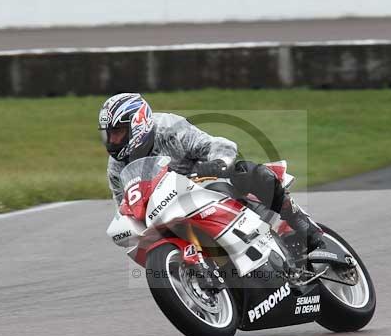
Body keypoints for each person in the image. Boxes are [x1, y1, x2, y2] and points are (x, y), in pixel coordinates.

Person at [98, 92, 322, 252]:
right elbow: (124, 204)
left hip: (202, 182)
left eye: (118, 132)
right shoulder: (116, 166)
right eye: (109, 134)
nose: (112, 140)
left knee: (246, 171)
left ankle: (303, 225)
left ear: (138, 124)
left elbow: (216, 144)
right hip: (165, 209)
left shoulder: (169, 129)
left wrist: (217, 163)